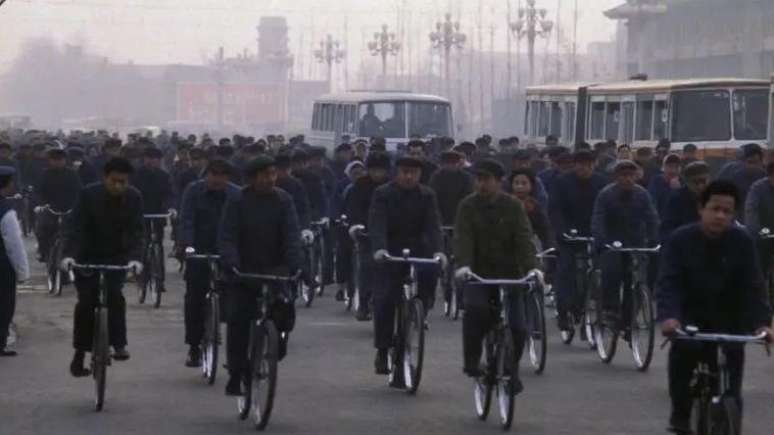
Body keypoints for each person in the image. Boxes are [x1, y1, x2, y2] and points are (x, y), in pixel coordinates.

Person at [657, 180, 773, 434]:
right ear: (702, 208)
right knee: (684, 356)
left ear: (734, 215)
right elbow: (669, 282)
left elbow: (754, 285)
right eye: (715, 208)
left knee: (733, 386)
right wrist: (669, 318)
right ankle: (680, 414)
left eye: (727, 211)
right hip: (690, 317)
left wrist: (763, 323)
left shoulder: (742, 242)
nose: (720, 216)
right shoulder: (681, 240)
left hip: (730, 319)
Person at [218, 155, 302, 396]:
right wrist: (231, 262)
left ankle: (276, 342)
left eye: (273, 174)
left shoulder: (284, 200)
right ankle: (235, 373)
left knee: (284, 312)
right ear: (253, 178)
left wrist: (295, 265)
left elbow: (292, 235)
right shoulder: (237, 200)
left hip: (275, 268)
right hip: (243, 270)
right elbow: (227, 236)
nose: (270, 179)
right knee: (238, 321)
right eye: (265, 175)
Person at [454, 159, 538, 394]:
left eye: (486, 179)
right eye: (478, 179)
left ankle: (511, 369)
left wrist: (533, 268)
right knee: (476, 311)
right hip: (478, 275)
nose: (481, 184)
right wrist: (464, 266)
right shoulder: (467, 206)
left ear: (499, 182)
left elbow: (524, 239)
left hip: (510, 274)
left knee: (519, 328)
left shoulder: (513, 206)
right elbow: (463, 238)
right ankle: (472, 362)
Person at [61, 157, 144, 377]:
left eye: (124, 182)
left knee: (115, 296)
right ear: (105, 178)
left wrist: (136, 258)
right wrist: (69, 255)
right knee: (86, 303)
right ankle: (79, 355)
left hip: (117, 257)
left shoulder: (134, 197)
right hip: (86, 256)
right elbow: (75, 227)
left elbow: (137, 231)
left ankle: (119, 344)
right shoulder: (88, 195)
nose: (119, 186)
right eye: (115, 181)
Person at [369, 156, 445, 374]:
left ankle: (420, 312)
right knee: (384, 300)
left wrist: (439, 250)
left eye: (413, 172)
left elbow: (433, 225)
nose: (409, 176)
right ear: (397, 172)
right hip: (389, 252)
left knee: (430, 275)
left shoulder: (427, 195)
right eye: (404, 172)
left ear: (420, 175)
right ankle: (383, 349)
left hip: (419, 250)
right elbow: (377, 223)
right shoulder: (383, 194)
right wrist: (379, 249)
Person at [178, 159, 240, 367]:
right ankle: (194, 347)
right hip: (199, 250)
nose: (217, 179)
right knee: (194, 298)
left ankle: (234, 355)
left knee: (236, 301)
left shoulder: (236, 195)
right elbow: (186, 219)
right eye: (213, 174)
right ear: (207, 174)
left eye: (222, 175)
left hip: (227, 252)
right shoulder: (194, 191)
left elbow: (241, 224)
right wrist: (187, 246)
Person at [592, 160, 659, 321]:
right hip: (612, 241)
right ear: (616, 177)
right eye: (624, 176)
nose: (628, 179)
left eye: (631, 175)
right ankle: (610, 308)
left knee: (638, 278)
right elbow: (598, 219)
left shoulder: (642, 194)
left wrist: (654, 239)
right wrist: (600, 241)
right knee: (612, 271)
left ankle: (630, 317)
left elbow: (652, 218)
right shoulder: (606, 194)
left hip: (636, 241)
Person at [548, 150, 608, 330]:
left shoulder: (601, 182)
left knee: (602, 270)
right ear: (574, 165)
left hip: (594, 233)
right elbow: (555, 210)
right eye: (580, 164)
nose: (584, 168)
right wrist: (562, 232)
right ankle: (563, 310)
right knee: (566, 270)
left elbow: (606, 210)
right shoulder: (562, 182)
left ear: (594, 164)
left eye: (588, 164)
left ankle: (600, 309)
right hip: (568, 235)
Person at [344, 152, 391, 321]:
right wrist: (356, 226)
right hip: (367, 233)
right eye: (374, 170)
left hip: (391, 234)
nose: (377, 174)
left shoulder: (393, 185)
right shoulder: (361, 184)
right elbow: (353, 209)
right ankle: (363, 302)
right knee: (366, 266)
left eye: (381, 170)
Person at [131, 146, 174, 291]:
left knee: (158, 245)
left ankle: (160, 279)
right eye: (149, 158)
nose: (151, 161)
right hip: (140, 214)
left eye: (155, 159)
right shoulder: (136, 175)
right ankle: (142, 276)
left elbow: (169, 194)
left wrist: (170, 208)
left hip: (158, 214)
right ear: (144, 159)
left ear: (159, 161)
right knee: (143, 243)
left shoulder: (164, 176)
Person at [0, 166, 29, 356]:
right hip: (2, 265)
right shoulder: (6, 211)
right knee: (3, 304)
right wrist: (22, 272)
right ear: (8, 184)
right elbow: (14, 244)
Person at [34, 148, 82, 262]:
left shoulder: (72, 174)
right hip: (50, 208)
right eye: (54, 160)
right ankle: (43, 250)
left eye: (60, 160)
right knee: (42, 228)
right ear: (50, 161)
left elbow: (80, 191)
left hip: (69, 208)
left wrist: (78, 205)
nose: (58, 162)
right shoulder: (45, 174)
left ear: (65, 160)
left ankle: (75, 254)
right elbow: (39, 192)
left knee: (77, 230)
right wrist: (41, 204)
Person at [660, 161, 711, 243]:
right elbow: (667, 229)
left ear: (709, 178)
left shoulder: (717, 196)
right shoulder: (676, 199)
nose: (700, 186)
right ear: (686, 182)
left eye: (703, 181)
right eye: (695, 182)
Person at [719, 143, 766, 222]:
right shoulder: (729, 172)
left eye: (755, 162)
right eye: (749, 162)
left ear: (761, 162)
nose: (751, 166)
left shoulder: (765, 176)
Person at [428, 150, 474, 227]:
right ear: (443, 164)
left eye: (454, 163)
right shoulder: (436, 176)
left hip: (460, 213)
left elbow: (468, 196)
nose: (451, 165)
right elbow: (433, 197)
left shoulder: (465, 177)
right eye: (448, 163)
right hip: (440, 214)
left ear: (458, 163)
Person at [510, 168, 554, 250]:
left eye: (524, 183)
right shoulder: (505, 204)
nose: (519, 186)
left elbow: (545, 229)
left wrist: (551, 245)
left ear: (531, 185)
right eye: (516, 183)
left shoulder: (535, 206)